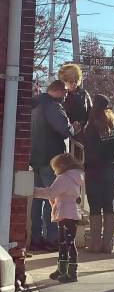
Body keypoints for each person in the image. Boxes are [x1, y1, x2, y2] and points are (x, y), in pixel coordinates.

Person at [30, 80, 80, 252]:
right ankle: (52, 239)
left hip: (35, 158)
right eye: (65, 92)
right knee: (53, 199)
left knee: (37, 200)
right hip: (51, 159)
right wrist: (74, 128)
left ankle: (35, 238)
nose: (66, 94)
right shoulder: (53, 106)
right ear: (57, 91)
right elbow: (65, 130)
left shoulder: (36, 104)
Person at [33, 154, 84, 283]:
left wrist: (33, 191)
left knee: (67, 243)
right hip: (71, 213)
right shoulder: (75, 176)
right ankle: (62, 269)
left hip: (65, 213)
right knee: (64, 242)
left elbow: (51, 192)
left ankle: (71, 272)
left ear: (61, 165)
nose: (54, 170)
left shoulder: (64, 178)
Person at [84, 94, 114, 254]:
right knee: (109, 206)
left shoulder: (92, 126)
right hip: (113, 170)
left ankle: (95, 243)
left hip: (95, 171)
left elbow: (90, 150)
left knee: (94, 207)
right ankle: (108, 244)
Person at [58, 63, 92, 129]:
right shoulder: (60, 95)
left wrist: (85, 124)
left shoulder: (84, 93)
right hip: (66, 132)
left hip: (83, 132)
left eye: (76, 81)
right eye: (71, 81)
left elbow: (90, 111)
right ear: (64, 81)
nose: (74, 84)